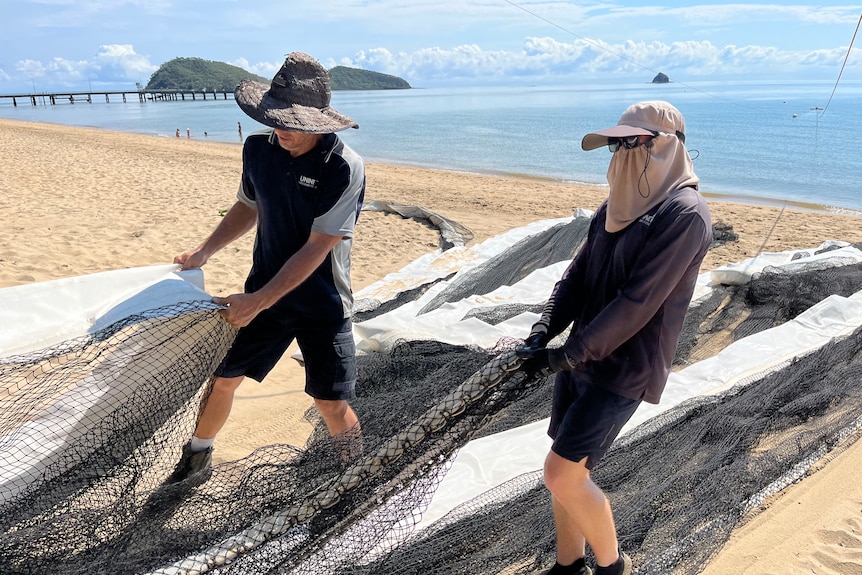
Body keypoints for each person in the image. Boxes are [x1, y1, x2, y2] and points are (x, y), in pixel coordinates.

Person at [515, 101, 712, 575]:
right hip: (581, 356)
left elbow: (638, 302)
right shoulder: (618, 205)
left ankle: (612, 568)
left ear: (667, 147)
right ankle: (568, 566)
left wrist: (567, 355)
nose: (622, 152)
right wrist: (545, 328)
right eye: (617, 143)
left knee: (561, 473)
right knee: (566, 476)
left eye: (634, 142)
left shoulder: (685, 216)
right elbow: (578, 274)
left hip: (624, 366)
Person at [167, 51, 365, 484]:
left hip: (322, 302)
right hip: (262, 296)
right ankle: (197, 457)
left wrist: (257, 300)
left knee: (329, 403)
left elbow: (318, 247)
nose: (281, 130)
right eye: (275, 118)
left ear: (318, 122)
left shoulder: (343, 166)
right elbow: (247, 204)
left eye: (293, 123)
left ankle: (355, 481)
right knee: (222, 378)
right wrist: (204, 252)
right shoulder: (258, 149)